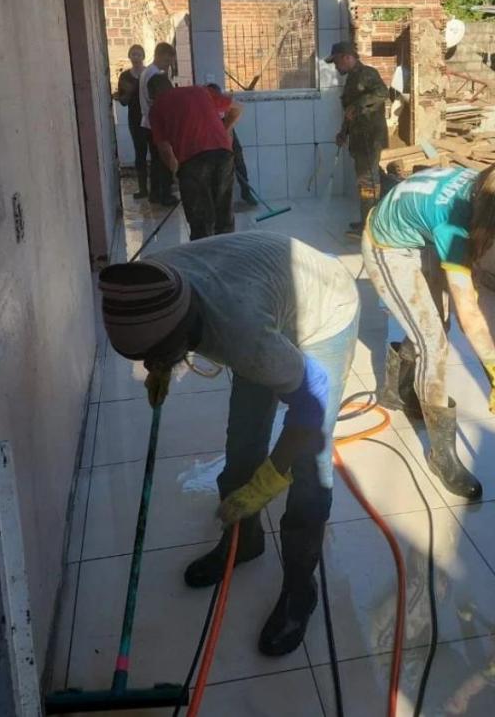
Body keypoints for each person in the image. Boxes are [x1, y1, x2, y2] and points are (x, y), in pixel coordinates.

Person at [98, 231, 359, 656]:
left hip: (326, 306)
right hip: (267, 294)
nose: (151, 366)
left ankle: (299, 589)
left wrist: (269, 480)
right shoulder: (151, 279)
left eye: (159, 356)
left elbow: (311, 406)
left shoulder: (243, 337)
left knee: (311, 468)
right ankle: (245, 540)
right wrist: (162, 363)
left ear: (188, 332)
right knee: (242, 444)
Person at [362, 164, 495, 500]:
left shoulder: (482, 188)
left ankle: (397, 389)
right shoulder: (455, 226)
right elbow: (470, 314)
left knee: (436, 324)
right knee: (433, 342)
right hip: (388, 246)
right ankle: (441, 455)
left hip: (421, 233)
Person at [148, 77, 242, 239]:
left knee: (201, 222)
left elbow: (164, 150)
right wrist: (223, 129)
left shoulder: (156, 107)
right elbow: (237, 108)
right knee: (224, 217)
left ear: (151, 95)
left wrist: (176, 173)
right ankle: (227, 257)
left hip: (193, 161)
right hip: (223, 155)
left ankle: (203, 259)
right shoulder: (200, 91)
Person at [327, 41, 388, 237]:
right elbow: (350, 111)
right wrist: (343, 133)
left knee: (369, 181)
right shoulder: (352, 79)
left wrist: (359, 105)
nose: (336, 67)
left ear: (346, 57)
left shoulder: (367, 74)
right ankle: (366, 221)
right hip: (359, 138)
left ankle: (371, 227)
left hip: (370, 137)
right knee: (365, 182)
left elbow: (382, 93)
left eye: (336, 61)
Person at [139, 42, 180, 206]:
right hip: (156, 125)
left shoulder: (146, 72)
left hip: (147, 123)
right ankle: (164, 195)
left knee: (156, 162)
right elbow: (164, 102)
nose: (169, 64)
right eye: (168, 60)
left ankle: (155, 194)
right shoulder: (155, 76)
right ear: (160, 55)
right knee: (163, 161)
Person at [206, 83, 257, 208]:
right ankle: (215, 199)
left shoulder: (225, 104)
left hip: (224, 126)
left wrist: (228, 141)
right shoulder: (205, 105)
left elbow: (231, 122)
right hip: (208, 129)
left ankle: (246, 191)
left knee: (238, 157)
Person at [115, 45, 151, 201]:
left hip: (151, 116)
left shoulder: (150, 74)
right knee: (140, 152)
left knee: (156, 151)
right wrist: (125, 94)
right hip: (135, 118)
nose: (136, 57)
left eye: (138, 54)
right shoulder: (124, 77)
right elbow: (123, 101)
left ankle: (158, 188)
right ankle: (143, 188)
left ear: (143, 56)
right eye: (133, 54)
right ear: (129, 56)